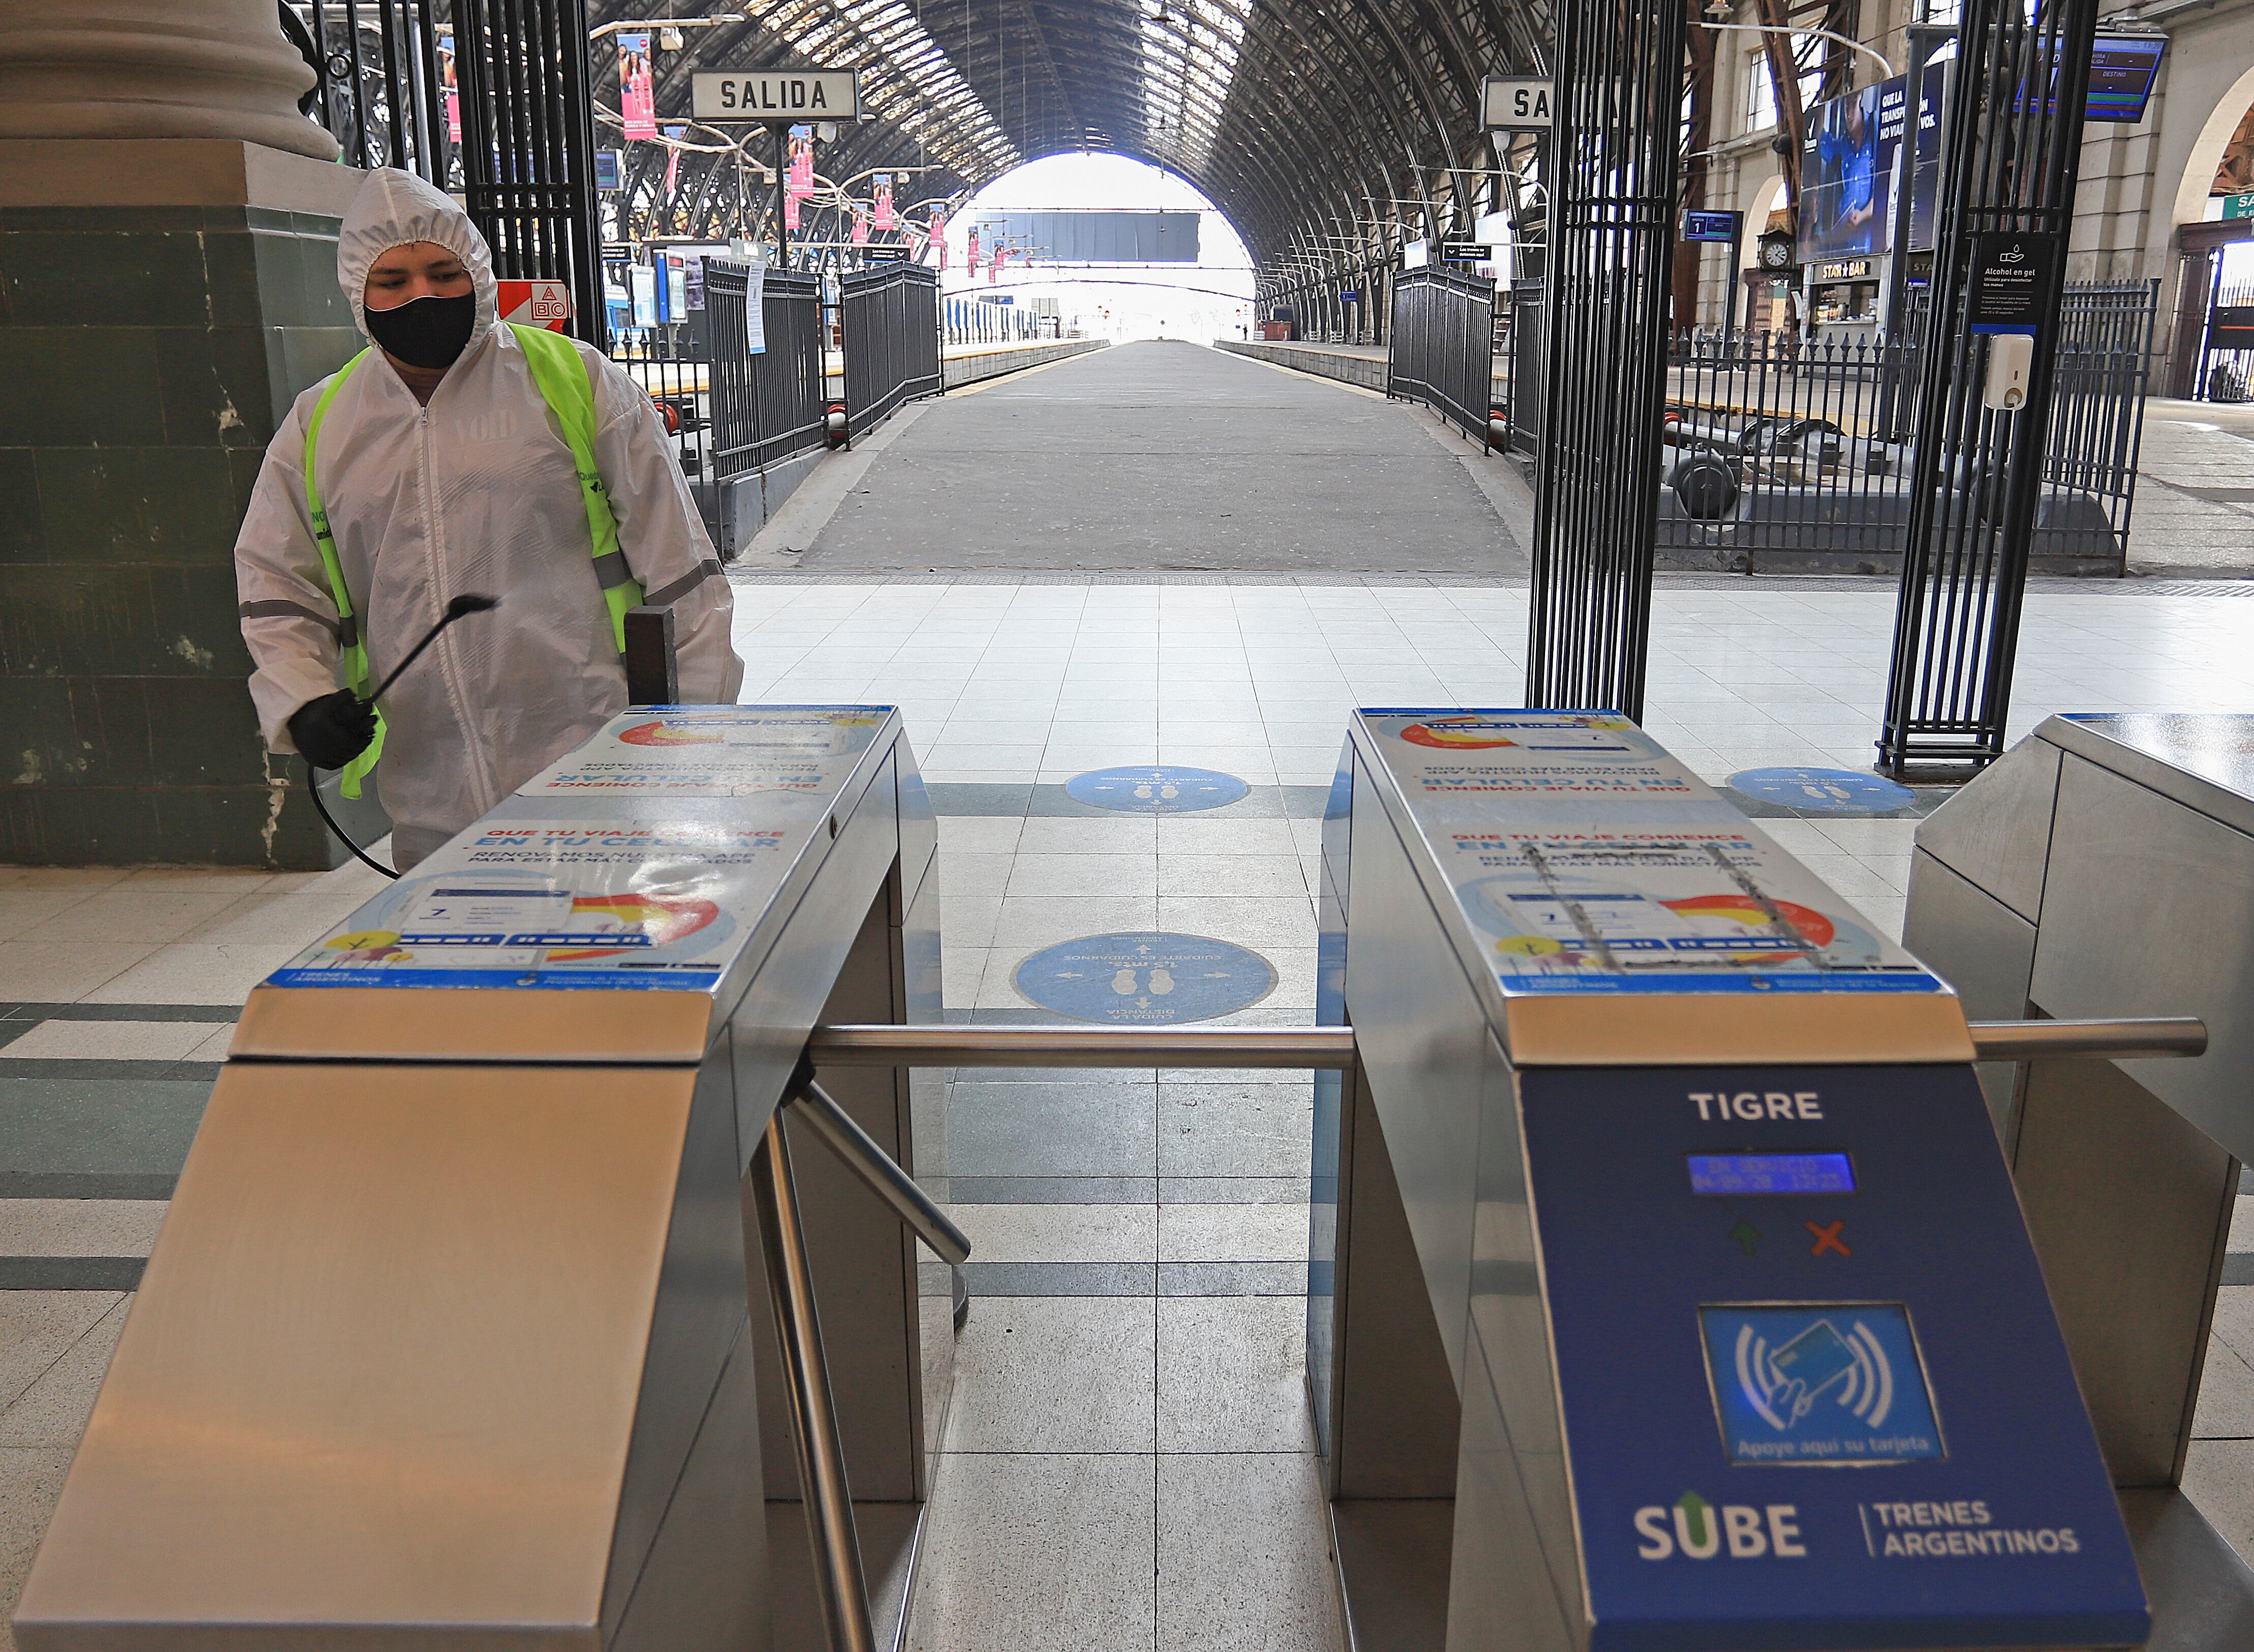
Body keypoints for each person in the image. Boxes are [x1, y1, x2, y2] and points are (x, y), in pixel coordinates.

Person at [235, 168, 743, 869]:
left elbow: (684, 572)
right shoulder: (321, 424)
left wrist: (695, 735)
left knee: (598, 954)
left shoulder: (576, 382)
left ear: (476, 269)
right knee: (461, 963)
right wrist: (303, 697)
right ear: (359, 290)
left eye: (443, 272)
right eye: (394, 281)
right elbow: (275, 585)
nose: (422, 296)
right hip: (427, 786)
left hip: (590, 756)